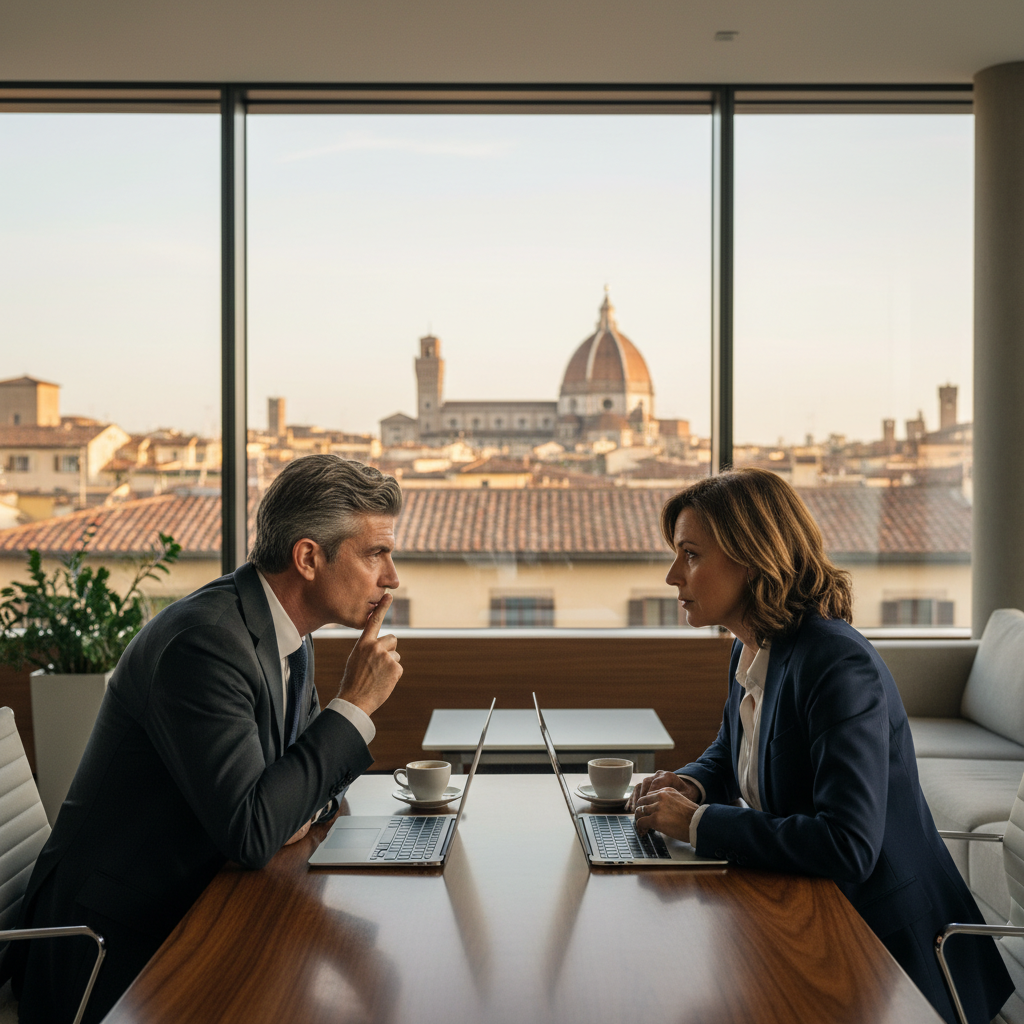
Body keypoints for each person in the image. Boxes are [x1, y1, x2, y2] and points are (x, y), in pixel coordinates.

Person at [6, 454, 405, 1024]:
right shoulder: (207, 643)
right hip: (109, 950)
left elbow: (296, 797)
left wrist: (284, 807)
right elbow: (254, 830)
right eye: (376, 554)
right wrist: (356, 703)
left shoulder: (289, 630)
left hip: (194, 905)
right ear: (309, 558)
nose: (391, 577)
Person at [626, 468, 1013, 1024]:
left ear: (751, 555)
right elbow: (735, 746)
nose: (671, 576)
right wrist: (693, 781)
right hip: (811, 915)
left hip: (886, 958)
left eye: (689, 555)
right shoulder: (753, 645)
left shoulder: (835, 662)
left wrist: (695, 823)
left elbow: (847, 846)